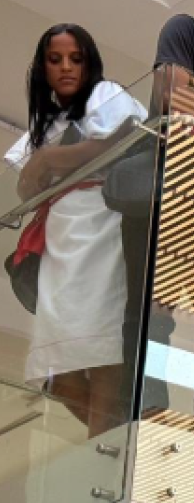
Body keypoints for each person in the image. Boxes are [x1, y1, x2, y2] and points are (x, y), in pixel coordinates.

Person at [4, 24, 147, 436]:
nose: (66, 67)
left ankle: (105, 450)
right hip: (58, 234)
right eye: (55, 59)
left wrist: (52, 158)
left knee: (102, 351)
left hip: (99, 221)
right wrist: (47, 161)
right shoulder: (44, 120)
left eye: (76, 58)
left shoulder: (106, 94)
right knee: (57, 372)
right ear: (42, 67)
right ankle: (118, 440)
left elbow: (123, 138)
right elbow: (24, 181)